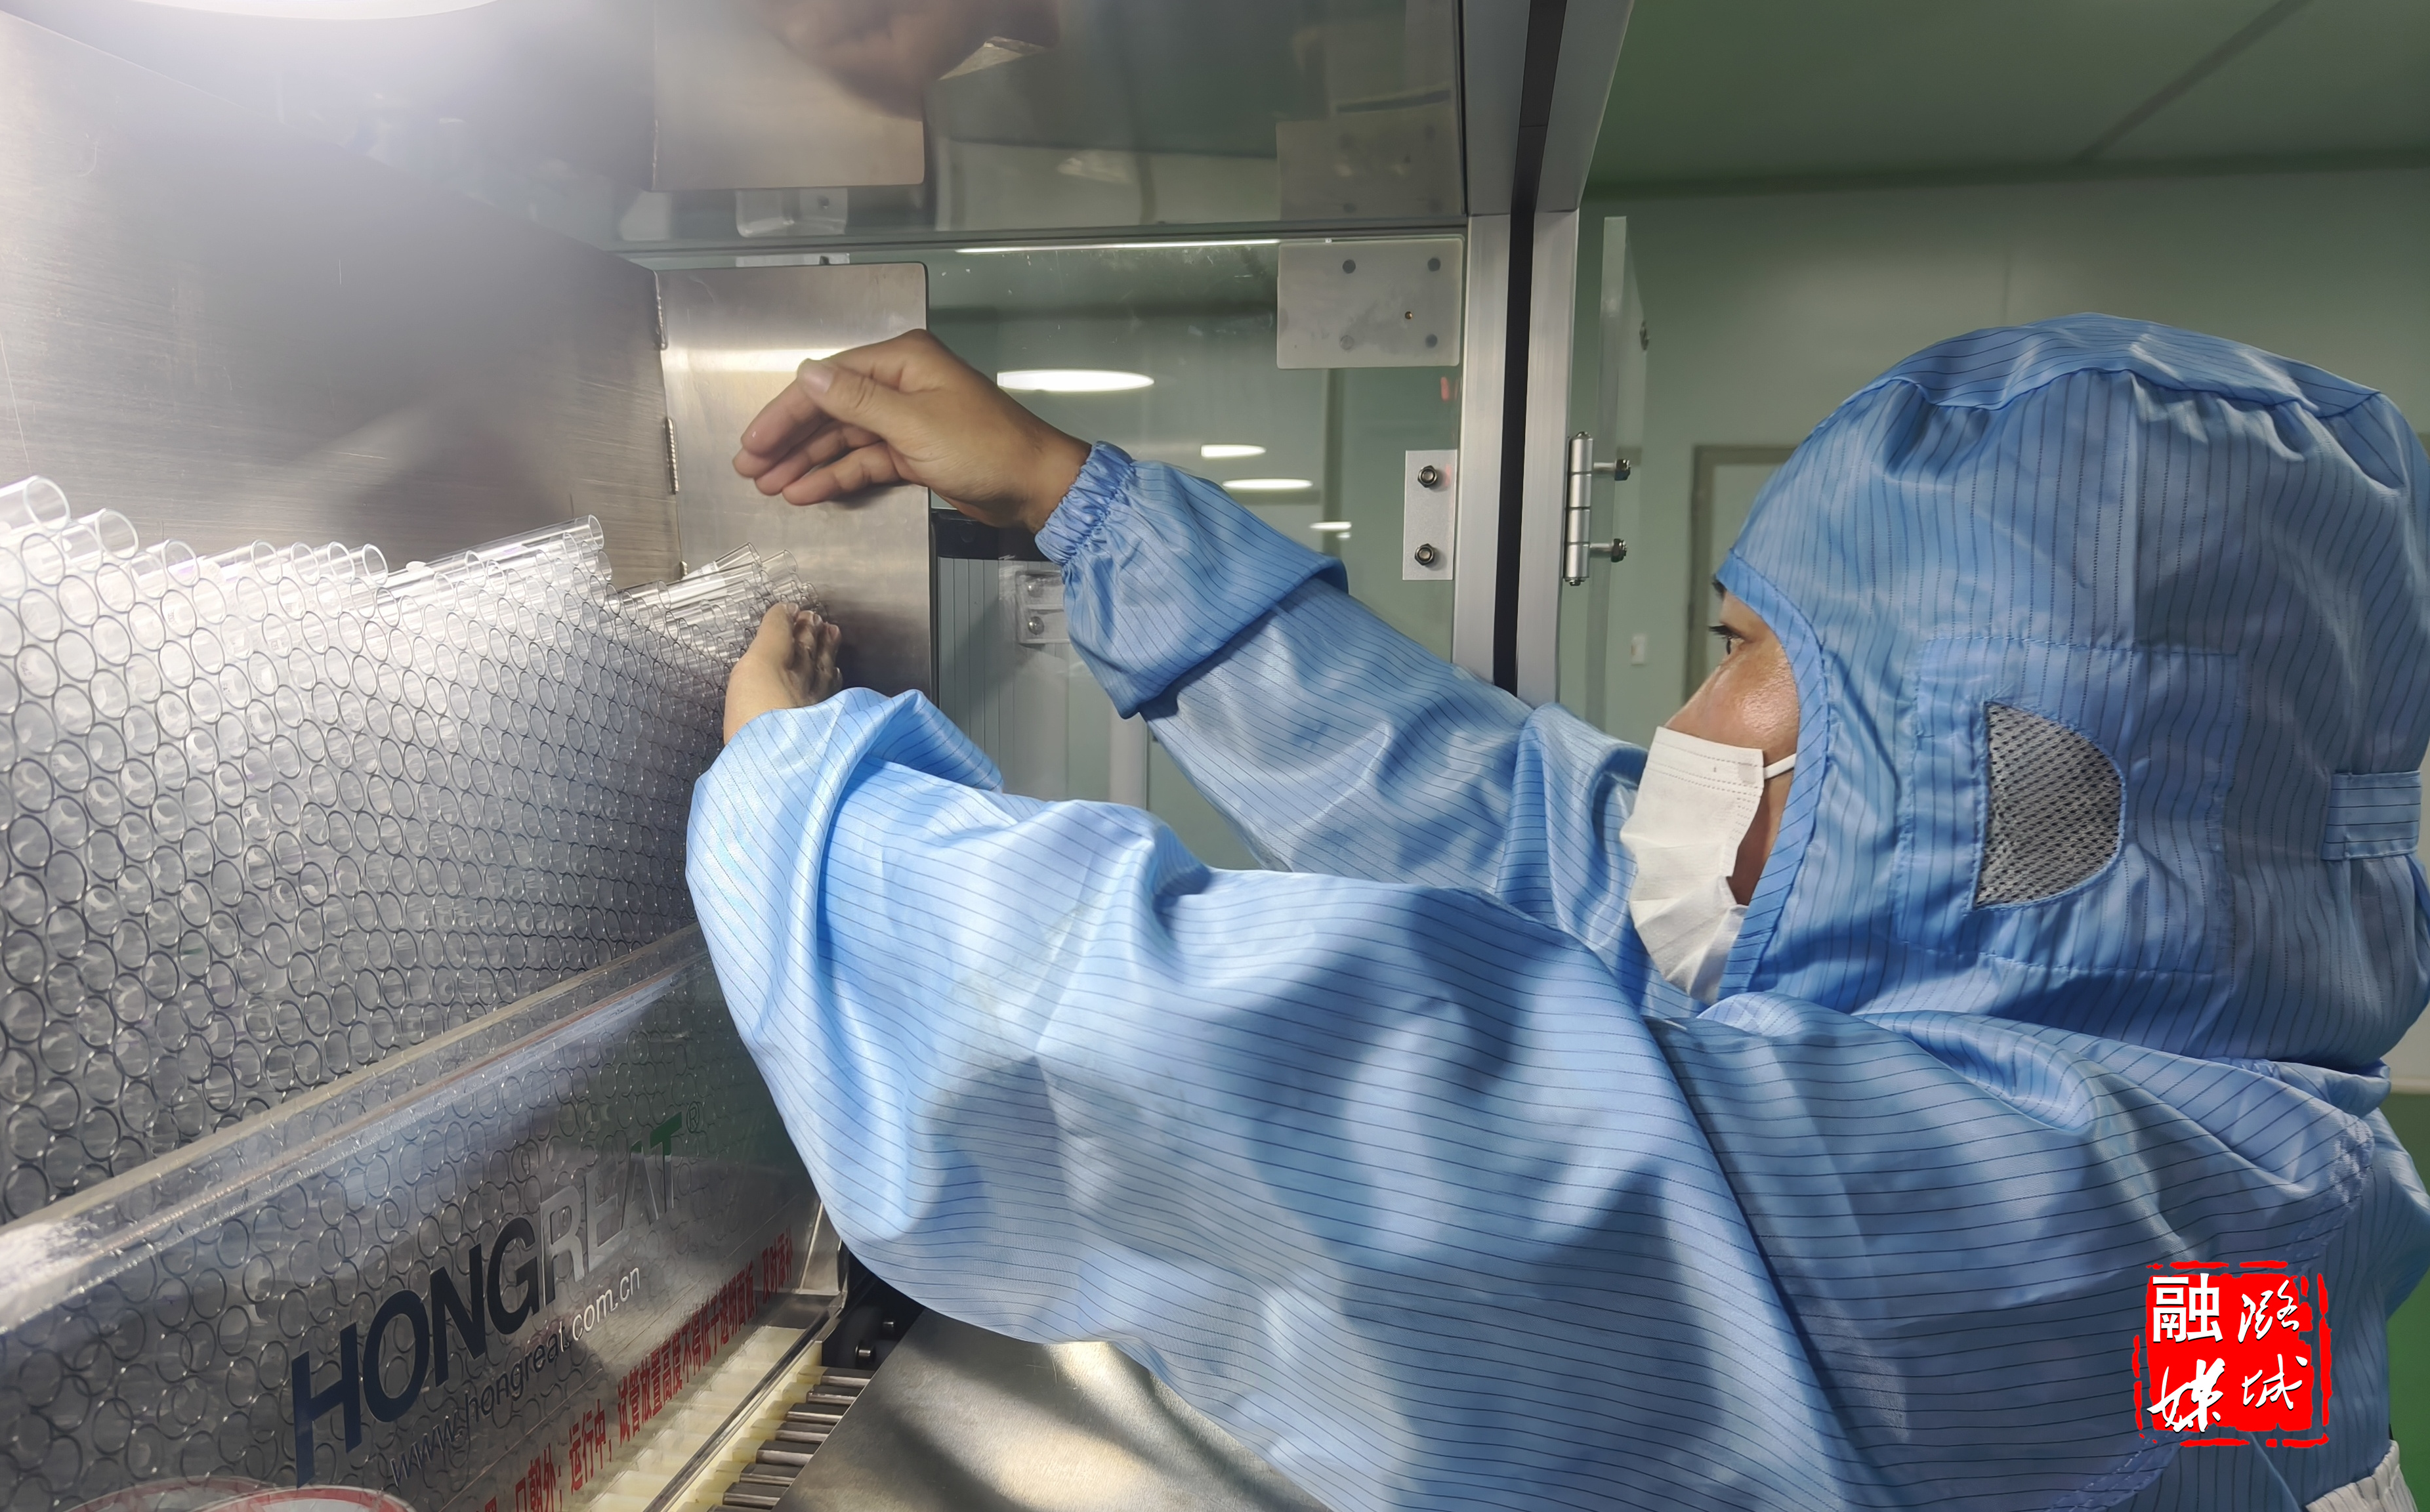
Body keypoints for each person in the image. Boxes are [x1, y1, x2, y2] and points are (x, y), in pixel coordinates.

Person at [686, 314, 2430, 1512]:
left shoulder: (2070, 1248)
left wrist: (817, 819)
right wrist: (1079, 503)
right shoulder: (2249, 1165)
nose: (1688, 719)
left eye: (1748, 652)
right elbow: (1518, 832)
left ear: (2006, 777)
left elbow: (1341, 1095)